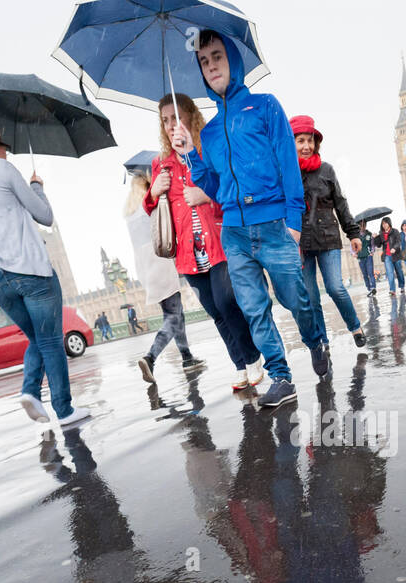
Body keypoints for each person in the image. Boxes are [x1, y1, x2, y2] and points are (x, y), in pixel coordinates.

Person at [178, 29, 331, 408]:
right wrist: (190, 156)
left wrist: (293, 221)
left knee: (295, 299)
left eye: (217, 56)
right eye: (204, 61)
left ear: (232, 60)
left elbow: (287, 163)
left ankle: (315, 340)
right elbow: (213, 187)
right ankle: (281, 376)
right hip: (234, 231)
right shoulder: (209, 134)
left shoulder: (265, 106)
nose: (211, 65)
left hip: (274, 224)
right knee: (253, 308)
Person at [0, 119, 90, 428]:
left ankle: (30, 391)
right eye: (4, 147)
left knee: (37, 339)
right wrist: (37, 186)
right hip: (30, 271)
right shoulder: (3, 170)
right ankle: (64, 410)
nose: (7, 154)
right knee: (51, 341)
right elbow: (45, 215)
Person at [144, 92, 264, 392]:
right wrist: (153, 192)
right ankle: (238, 365)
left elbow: (231, 186)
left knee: (227, 302)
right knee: (215, 312)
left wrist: (206, 194)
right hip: (187, 251)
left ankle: (252, 358)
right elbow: (153, 211)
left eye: (176, 117)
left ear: (190, 116)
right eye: (166, 120)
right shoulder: (161, 164)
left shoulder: (207, 148)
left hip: (219, 240)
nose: (172, 125)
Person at [290, 114, 367, 350]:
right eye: (300, 140)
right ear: (291, 142)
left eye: (310, 141)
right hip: (300, 243)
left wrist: (353, 233)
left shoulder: (326, 170)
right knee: (311, 298)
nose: (306, 146)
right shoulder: (286, 173)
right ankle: (322, 342)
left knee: (335, 287)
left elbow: (341, 203)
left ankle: (354, 326)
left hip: (329, 239)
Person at [125, 174, 205, 383]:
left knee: (174, 312)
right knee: (173, 316)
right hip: (159, 260)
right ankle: (150, 357)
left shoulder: (130, 213)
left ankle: (187, 357)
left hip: (144, 265)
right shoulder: (150, 206)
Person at [373, 217, 406, 296]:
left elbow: (399, 241)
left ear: (389, 223)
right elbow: (378, 245)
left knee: (399, 272)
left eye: (386, 223)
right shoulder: (381, 234)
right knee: (389, 273)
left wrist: (394, 248)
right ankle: (392, 290)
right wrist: (375, 238)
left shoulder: (395, 231)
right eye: (383, 224)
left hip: (396, 255)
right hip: (387, 256)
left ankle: (402, 286)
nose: (384, 225)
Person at [357, 225, 377, 296]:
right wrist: (354, 253)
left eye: (364, 225)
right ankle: (369, 288)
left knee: (370, 273)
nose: (362, 226)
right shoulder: (356, 235)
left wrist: (372, 251)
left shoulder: (369, 234)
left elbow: (373, 245)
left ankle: (373, 288)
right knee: (365, 275)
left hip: (368, 256)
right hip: (360, 257)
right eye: (361, 225)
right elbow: (352, 245)